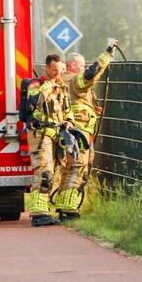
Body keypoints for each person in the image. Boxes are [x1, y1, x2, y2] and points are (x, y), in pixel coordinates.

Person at [54, 39, 118, 220]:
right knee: (76, 167)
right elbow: (92, 74)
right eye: (82, 65)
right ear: (73, 65)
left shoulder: (62, 81)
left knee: (72, 169)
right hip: (78, 132)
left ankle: (65, 204)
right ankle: (67, 208)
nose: (84, 68)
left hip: (71, 132)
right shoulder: (75, 80)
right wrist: (107, 54)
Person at [26, 53, 74, 227]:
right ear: (46, 68)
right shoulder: (36, 84)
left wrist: (69, 122)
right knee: (44, 171)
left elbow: (67, 110)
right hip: (40, 134)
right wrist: (48, 85)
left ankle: (45, 209)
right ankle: (39, 213)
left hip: (56, 133)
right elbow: (33, 100)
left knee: (53, 171)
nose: (58, 73)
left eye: (60, 70)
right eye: (54, 70)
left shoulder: (62, 87)